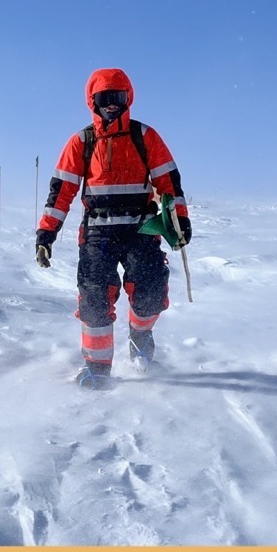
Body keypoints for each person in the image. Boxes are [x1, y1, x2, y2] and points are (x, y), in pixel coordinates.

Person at [35, 68, 191, 388]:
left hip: (142, 229)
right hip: (97, 234)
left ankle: (141, 334)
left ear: (127, 99)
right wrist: (46, 234)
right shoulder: (81, 141)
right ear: (93, 101)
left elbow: (168, 184)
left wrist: (181, 220)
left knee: (150, 293)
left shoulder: (145, 137)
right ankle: (98, 367)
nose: (111, 105)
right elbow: (61, 191)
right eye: (104, 98)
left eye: (117, 98)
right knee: (94, 300)